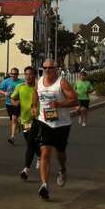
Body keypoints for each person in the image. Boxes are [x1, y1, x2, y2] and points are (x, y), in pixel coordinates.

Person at [32, 59, 78, 200]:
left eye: (50, 67)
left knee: (60, 153)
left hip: (62, 124)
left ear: (56, 68)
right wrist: (34, 106)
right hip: (45, 121)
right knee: (45, 152)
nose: (47, 70)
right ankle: (44, 185)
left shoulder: (62, 82)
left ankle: (63, 169)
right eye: (45, 67)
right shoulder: (39, 81)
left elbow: (74, 100)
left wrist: (58, 104)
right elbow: (35, 93)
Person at [10, 66, 41, 181]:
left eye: (31, 74)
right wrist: (15, 103)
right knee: (31, 142)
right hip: (25, 120)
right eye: (26, 74)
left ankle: (26, 170)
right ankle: (41, 156)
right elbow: (12, 98)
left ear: (35, 75)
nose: (28, 76)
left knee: (30, 143)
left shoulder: (39, 87)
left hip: (38, 119)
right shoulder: (20, 87)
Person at [0, 67, 24, 144]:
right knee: (13, 119)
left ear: (18, 74)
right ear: (10, 74)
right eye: (12, 74)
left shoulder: (21, 82)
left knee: (14, 118)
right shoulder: (6, 81)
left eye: (15, 74)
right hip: (8, 103)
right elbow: (0, 89)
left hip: (17, 103)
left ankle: (12, 137)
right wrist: (5, 93)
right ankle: (18, 124)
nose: (13, 75)